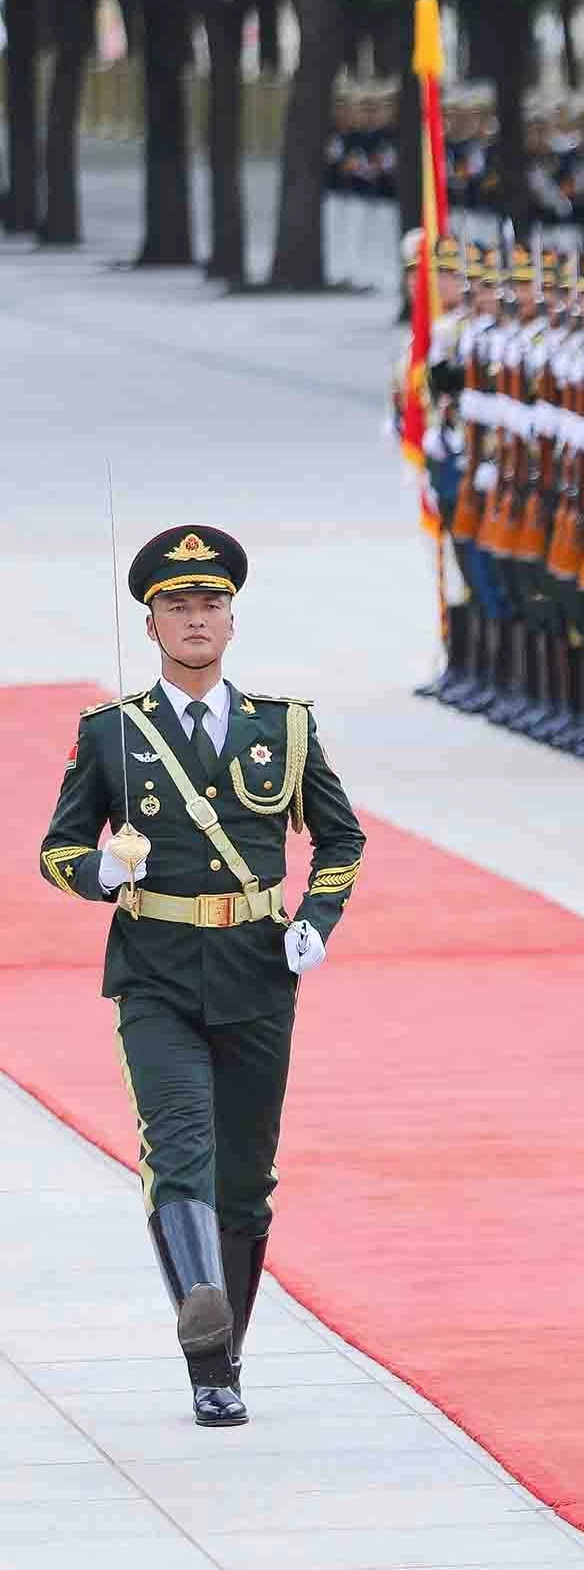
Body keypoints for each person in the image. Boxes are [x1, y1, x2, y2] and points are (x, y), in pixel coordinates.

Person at [37, 525, 366, 1427]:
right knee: (177, 1147)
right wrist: (104, 871)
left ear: (231, 620)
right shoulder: (112, 731)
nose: (195, 620)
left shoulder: (282, 727)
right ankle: (203, 1341)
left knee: (247, 1177)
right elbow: (58, 851)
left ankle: (228, 1353)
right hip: (156, 972)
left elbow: (340, 837)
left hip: (257, 970)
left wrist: (317, 918)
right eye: (177, 607)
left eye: (209, 605)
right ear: (150, 626)